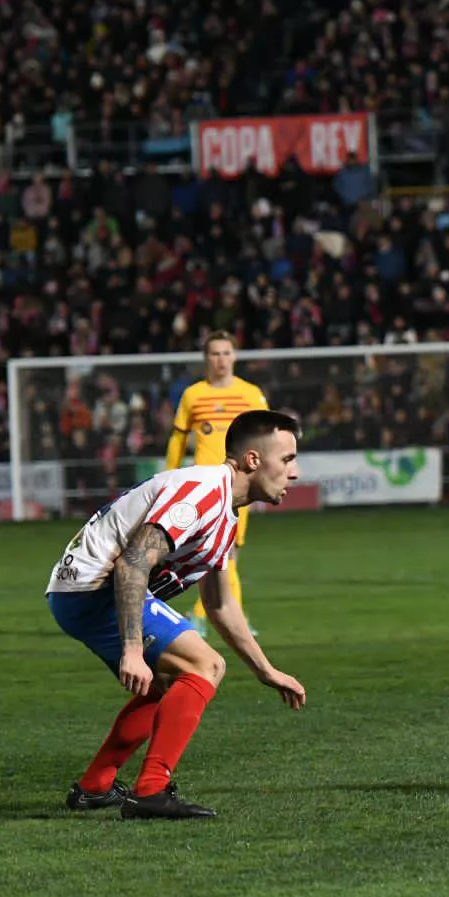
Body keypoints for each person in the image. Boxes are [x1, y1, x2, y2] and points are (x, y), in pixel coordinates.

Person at [48, 409, 306, 819]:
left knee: (165, 685)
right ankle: (151, 791)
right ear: (254, 460)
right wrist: (133, 650)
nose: (294, 472)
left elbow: (220, 605)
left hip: (79, 592)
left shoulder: (225, 509)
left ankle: (95, 787)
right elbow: (132, 562)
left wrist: (265, 670)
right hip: (93, 589)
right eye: (288, 459)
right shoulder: (203, 492)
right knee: (206, 666)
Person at [166, 331, 270, 637]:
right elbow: (178, 438)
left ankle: (208, 616)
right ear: (206, 359)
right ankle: (223, 619)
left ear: (234, 357)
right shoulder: (193, 395)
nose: (221, 359)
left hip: (240, 486)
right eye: (215, 354)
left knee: (225, 553)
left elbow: (267, 436)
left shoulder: (251, 394)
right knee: (216, 553)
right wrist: (170, 477)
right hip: (204, 486)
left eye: (226, 353)